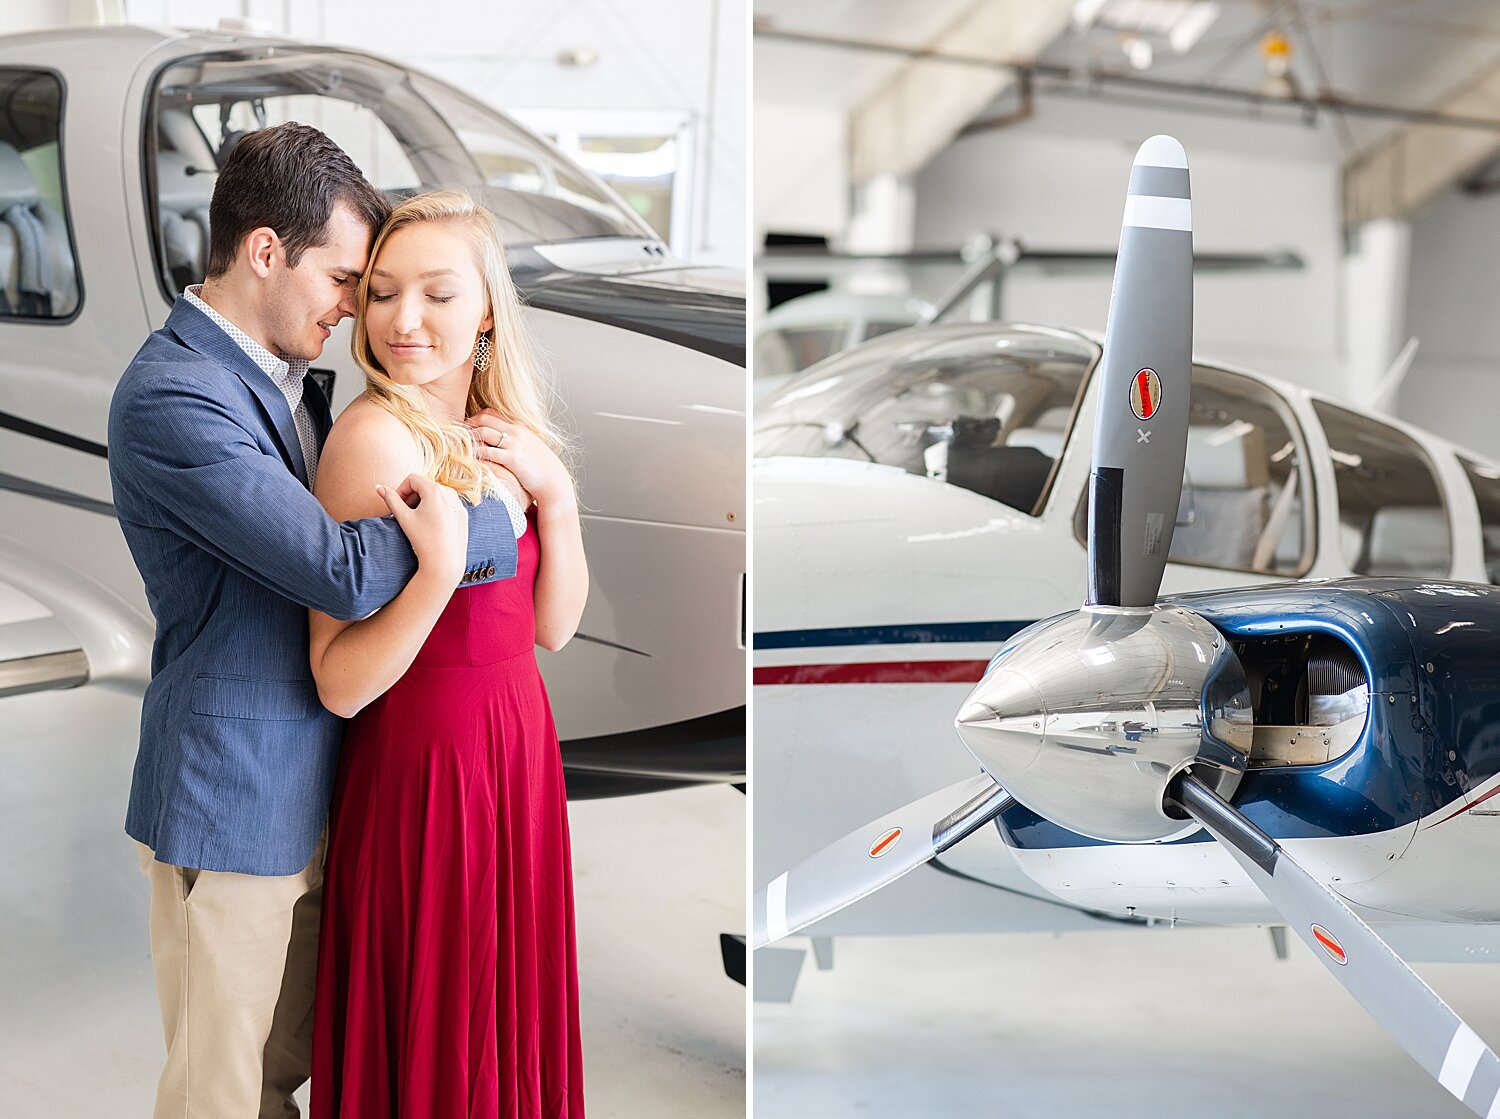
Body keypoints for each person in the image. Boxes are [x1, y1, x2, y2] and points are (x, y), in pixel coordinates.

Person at [108, 124, 520, 1119]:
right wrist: (492, 520)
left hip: (320, 784)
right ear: (262, 251)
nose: (354, 309)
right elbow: (336, 568)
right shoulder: (175, 396)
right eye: (345, 279)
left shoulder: (281, 385)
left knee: (286, 1073)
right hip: (231, 790)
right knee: (222, 1090)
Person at [306, 190, 588, 1117]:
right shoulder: (372, 439)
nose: (404, 320)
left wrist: (560, 496)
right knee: (439, 1019)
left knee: (503, 1015)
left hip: (516, 752)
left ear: (486, 312)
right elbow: (339, 682)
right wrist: (435, 572)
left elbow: (553, 628)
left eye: (435, 293)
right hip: (426, 769)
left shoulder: (512, 434)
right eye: (382, 293)